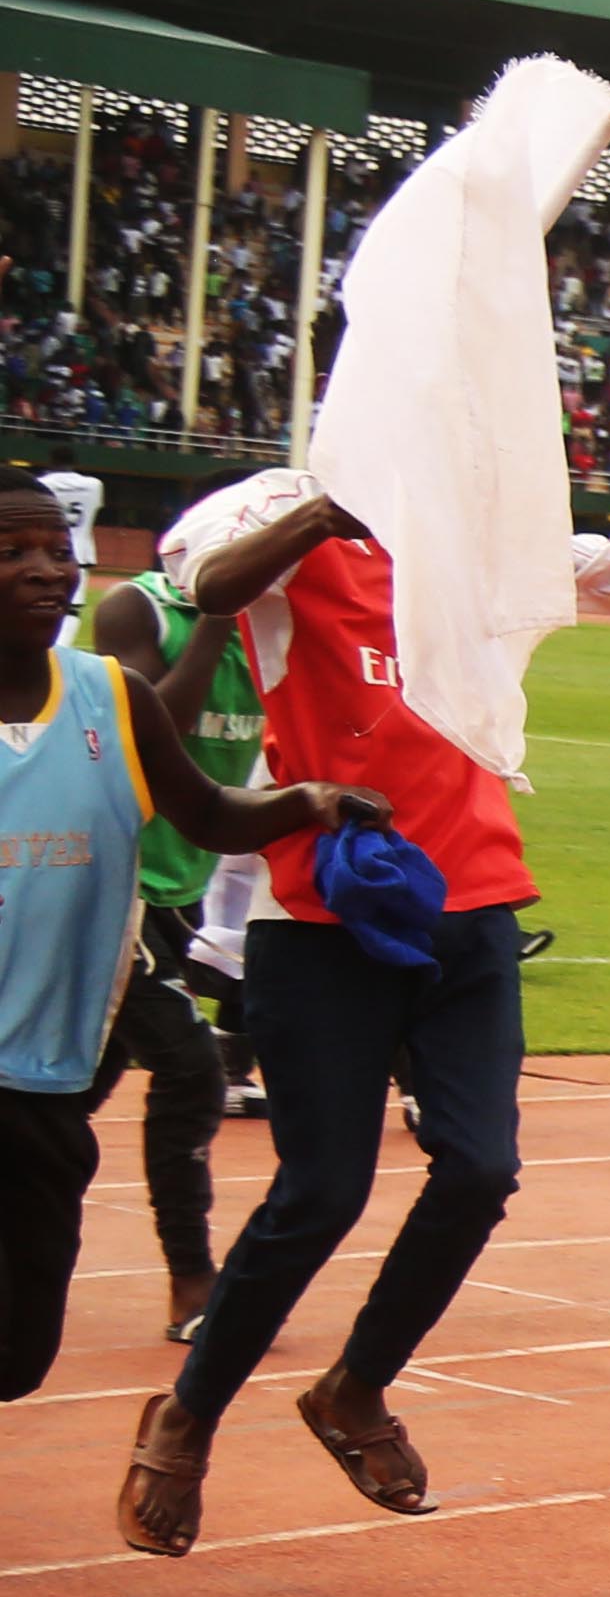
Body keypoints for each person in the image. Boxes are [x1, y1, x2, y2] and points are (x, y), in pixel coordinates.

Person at [105, 476, 610, 1551]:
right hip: (323, 919)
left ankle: (356, 1387)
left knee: (481, 1169)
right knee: (320, 1195)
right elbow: (200, 576)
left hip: (471, 911)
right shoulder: (293, 524)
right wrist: (320, 511)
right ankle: (189, 1414)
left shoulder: (481, 542)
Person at [3, 483, 373, 1419]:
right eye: (15, 552)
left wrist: (307, 802)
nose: (47, 570)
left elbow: (206, 812)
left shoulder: (108, 696)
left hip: (49, 1078)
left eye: (56, 549)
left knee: (18, 1349)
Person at [80, 500, 271, 1338]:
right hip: (102, 884)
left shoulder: (282, 630)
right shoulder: (139, 607)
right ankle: (194, 1282)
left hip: (175, 884)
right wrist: (217, 622)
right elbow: (149, 725)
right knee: (191, 1070)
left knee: (73, 1091)